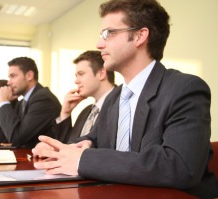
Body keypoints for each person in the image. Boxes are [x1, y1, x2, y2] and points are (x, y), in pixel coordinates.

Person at [32, 0, 217, 198]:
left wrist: (83, 160)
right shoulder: (114, 98)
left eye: (109, 33)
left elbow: (179, 167)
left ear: (140, 35)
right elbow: (92, 140)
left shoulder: (185, 89)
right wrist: (63, 151)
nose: (99, 44)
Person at [0, 57, 61, 148]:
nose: (9, 82)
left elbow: (17, 138)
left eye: (13, 76)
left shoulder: (43, 99)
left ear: (29, 75)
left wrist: (4, 102)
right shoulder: (23, 102)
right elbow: (4, 138)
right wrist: (1, 105)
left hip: (43, 159)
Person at [54, 50, 115, 143]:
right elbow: (67, 147)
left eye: (81, 74)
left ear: (101, 74)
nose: (76, 81)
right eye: (76, 76)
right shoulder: (86, 112)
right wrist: (65, 114)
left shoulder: (122, 105)